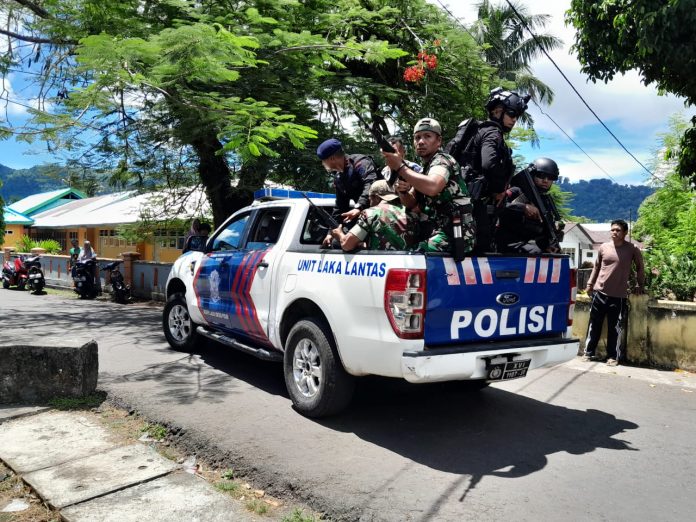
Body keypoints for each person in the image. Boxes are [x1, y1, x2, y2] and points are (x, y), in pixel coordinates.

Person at [382, 117, 474, 255]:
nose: (421, 142)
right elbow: (411, 203)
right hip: (433, 229)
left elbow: (433, 186)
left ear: (439, 141)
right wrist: (403, 192)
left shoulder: (443, 160)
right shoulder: (425, 169)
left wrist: (400, 167)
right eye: (417, 137)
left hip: (455, 233)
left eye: (427, 136)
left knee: (414, 256)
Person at [465, 87, 530, 253]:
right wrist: (499, 190)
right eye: (512, 114)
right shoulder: (493, 133)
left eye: (517, 116)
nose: (514, 120)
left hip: (471, 204)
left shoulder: (481, 131)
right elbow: (489, 163)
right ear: (497, 111)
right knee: (481, 248)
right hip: (478, 205)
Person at [582, 219, 646, 366]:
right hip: (599, 293)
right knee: (594, 324)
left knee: (615, 328)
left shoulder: (632, 249)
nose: (614, 232)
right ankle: (588, 352)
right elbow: (596, 267)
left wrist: (639, 284)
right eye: (612, 230)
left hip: (619, 296)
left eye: (617, 230)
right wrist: (590, 284)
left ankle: (612, 356)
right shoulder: (604, 247)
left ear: (625, 233)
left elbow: (640, 267)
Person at [316, 138, 380, 247]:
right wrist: (331, 232)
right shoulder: (338, 178)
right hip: (362, 217)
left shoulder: (360, 163)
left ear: (332, 158)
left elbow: (370, 184)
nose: (323, 164)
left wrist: (358, 207)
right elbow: (340, 207)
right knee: (336, 243)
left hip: (380, 213)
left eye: (323, 160)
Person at [496, 158, 564, 254]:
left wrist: (550, 242)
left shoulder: (545, 201)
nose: (545, 180)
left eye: (550, 177)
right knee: (537, 251)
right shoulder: (516, 191)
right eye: (541, 176)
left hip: (530, 243)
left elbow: (543, 232)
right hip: (509, 242)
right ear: (532, 174)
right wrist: (523, 207)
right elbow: (497, 206)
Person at [330, 180, 419, 252]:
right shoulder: (411, 212)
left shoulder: (370, 213)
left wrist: (339, 234)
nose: (370, 204)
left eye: (370, 200)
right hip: (410, 263)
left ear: (376, 197)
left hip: (381, 266)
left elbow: (347, 245)